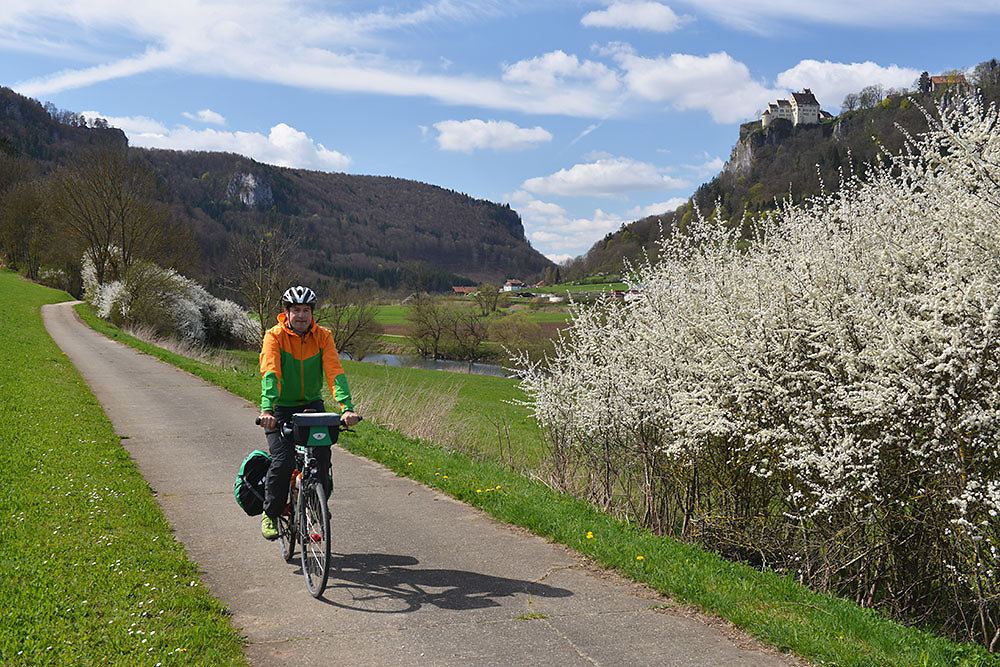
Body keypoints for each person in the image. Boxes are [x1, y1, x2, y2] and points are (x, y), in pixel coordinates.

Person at [257, 285, 360, 540]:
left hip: (312, 406)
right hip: (280, 408)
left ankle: (317, 506)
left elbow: (334, 372)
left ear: (312, 313)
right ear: (286, 312)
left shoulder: (323, 336)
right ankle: (270, 513)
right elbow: (271, 373)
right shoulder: (275, 336)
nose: (301, 315)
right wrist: (268, 408)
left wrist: (347, 408)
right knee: (283, 462)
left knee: (321, 458)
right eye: (296, 310)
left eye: (306, 310)